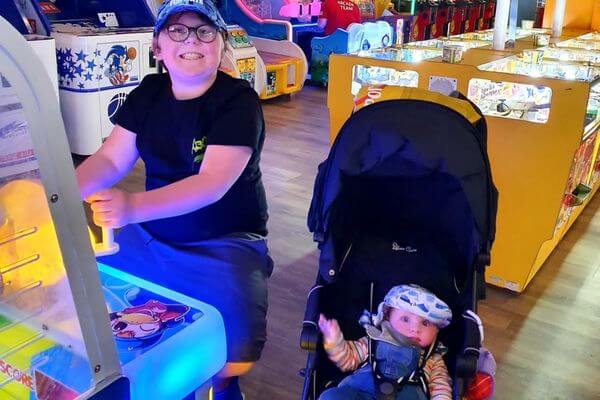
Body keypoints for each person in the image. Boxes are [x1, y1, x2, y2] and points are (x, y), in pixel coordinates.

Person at [75, 1, 272, 399]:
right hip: (151, 235)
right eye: (177, 31)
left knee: (233, 359)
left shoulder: (238, 101)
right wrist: (55, 199)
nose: (191, 40)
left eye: (204, 31)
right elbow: (112, 158)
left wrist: (131, 208)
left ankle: (221, 387)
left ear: (221, 45)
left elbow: (212, 183)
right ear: (158, 47)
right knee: (109, 327)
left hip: (226, 240)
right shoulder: (148, 92)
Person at [318, 284, 453, 400]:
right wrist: (334, 340)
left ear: (436, 331)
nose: (415, 329)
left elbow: (440, 388)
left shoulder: (432, 359)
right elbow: (347, 359)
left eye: (425, 323)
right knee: (333, 396)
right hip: (362, 394)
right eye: (405, 319)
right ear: (387, 317)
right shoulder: (373, 341)